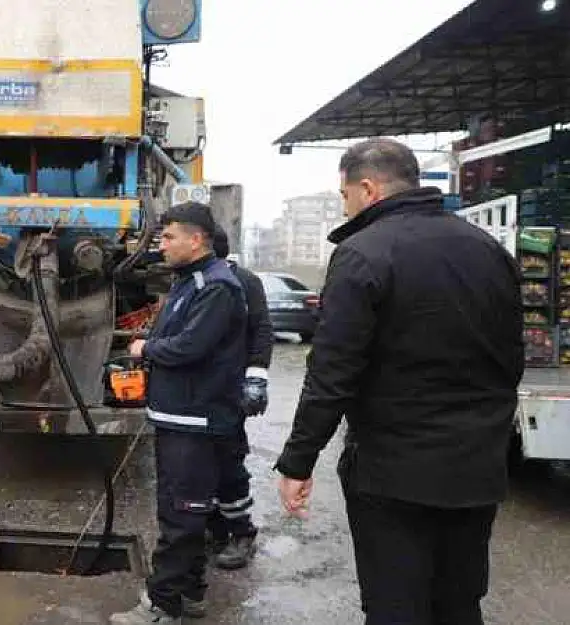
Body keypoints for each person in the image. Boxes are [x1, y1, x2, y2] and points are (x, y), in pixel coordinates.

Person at [275, 138, 524, 625]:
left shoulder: (362, 252)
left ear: (367, 188)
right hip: (477, 468)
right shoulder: (488, 249)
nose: (344, 206)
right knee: (459, 602)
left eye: (344, 195)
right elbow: (511, 359)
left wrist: (298, 461)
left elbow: (332, 372)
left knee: (396, 605)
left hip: (393, 473)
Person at [111, 202, 247, 625]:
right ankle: (190, 593)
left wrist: (145, 348)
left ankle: (163, 605)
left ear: (197, 240)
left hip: (196, 419)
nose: (162, 245)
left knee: (181, 514)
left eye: (169, 237)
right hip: (180, 417)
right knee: (187, 509)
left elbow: (191, 346)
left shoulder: (216, 286)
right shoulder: (190, 281)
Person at [206, 224, 273, 570]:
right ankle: (214, 527)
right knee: (199, 464)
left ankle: (240, 532)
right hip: (198, 394)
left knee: (227, 462)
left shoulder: (244, 282)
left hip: (229, 392)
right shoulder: (192, 281)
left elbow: (262, 329)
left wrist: (256, 377)